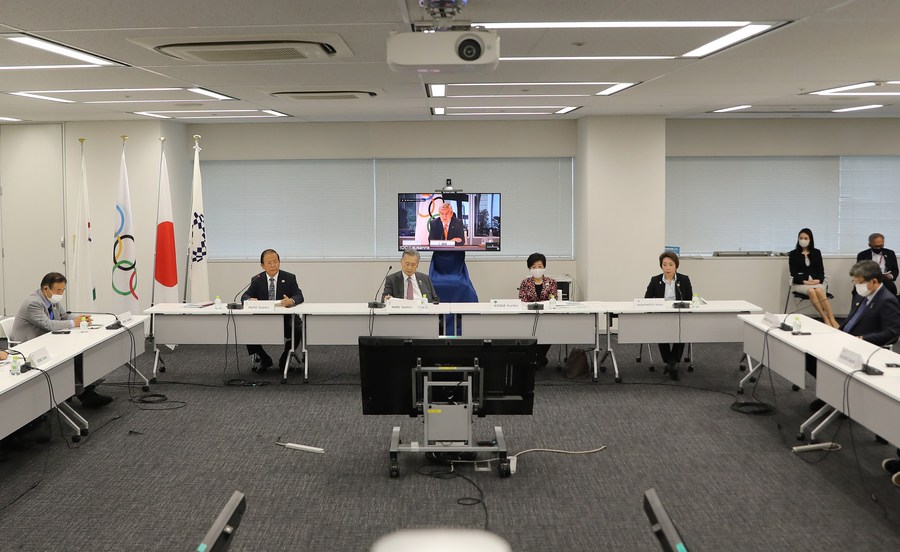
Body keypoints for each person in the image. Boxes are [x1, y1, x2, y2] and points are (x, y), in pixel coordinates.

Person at [10, 272, 112, 408]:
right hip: (28, 346)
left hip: (47, 339)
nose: (61, 293)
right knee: (72, 356)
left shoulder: (52, 300)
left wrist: (80, 318)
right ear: (46, 289)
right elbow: (48, 324)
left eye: (63, 290)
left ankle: (82, 389)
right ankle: (82, 393)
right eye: (58, 290)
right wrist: (73, 323)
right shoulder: (33, 303)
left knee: (80, 351)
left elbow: (64, 317)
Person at [241, 249, 304, 372]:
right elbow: (244, 296)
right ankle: (264, 358)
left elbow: (299, 295)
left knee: (297, 328)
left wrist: (291, 301)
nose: (273, 265)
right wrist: (249, 300)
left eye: (275, 261)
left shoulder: (289, 277)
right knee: (246, 328)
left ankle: (285, 358)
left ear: (279, 262)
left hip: (285, 318)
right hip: (263, 317)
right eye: (269, 263)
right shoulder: (257, 279)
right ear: (262, 265)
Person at [644, 252, 693, 380]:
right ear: (661, 266)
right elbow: (647, 299)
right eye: (665, 265)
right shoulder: (655, 280)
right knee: (661, 332)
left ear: (676, 266)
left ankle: (672, 362)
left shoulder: (684, 279)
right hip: (661, 315)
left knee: (681, 332)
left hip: (679, 314)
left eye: (671, 264)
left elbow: (689, 300)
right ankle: (671, 362)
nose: (668, 268)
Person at [788, 228, 839, 328]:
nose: (803, 240)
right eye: (801, 238)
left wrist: (818, 280)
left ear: (810, 239)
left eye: (805, 238)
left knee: (819, 290)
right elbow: (793, 273)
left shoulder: (816, 252)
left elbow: (821, 271)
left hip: (817, 282)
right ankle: (825, 318)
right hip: (801, 284)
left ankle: (832, 318)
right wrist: (805, 282)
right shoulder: (793, 254)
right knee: (811, 291)